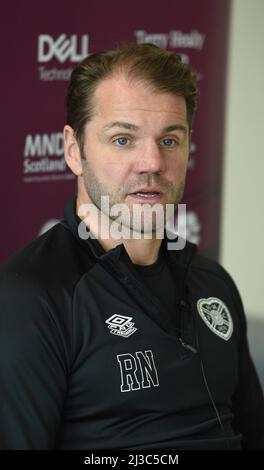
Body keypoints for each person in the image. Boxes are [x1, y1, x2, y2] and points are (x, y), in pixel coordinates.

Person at [0, 43, 263, 451]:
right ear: (73, 150)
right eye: (123, 139)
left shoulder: (212, 283)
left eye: (170, 141)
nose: (152, 163)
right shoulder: (33, 299)